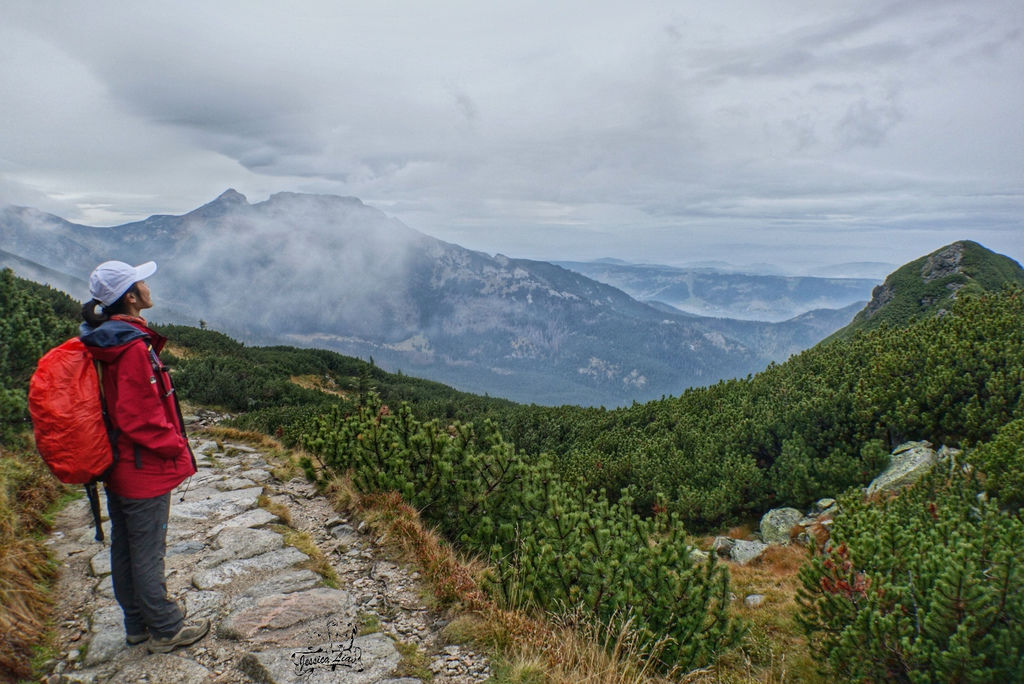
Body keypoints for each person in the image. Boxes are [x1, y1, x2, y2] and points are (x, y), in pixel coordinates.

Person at [80, 260, 210, 653]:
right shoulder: (131, 347)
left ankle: (136, 624)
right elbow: (140, 418)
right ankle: (166, 628)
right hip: (142, 466)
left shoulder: (107, 339)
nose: (149, 287)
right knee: (148, 549)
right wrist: (176, 445)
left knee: (126, 545)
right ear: (131, 297)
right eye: (142, 282)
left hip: (119, 462)